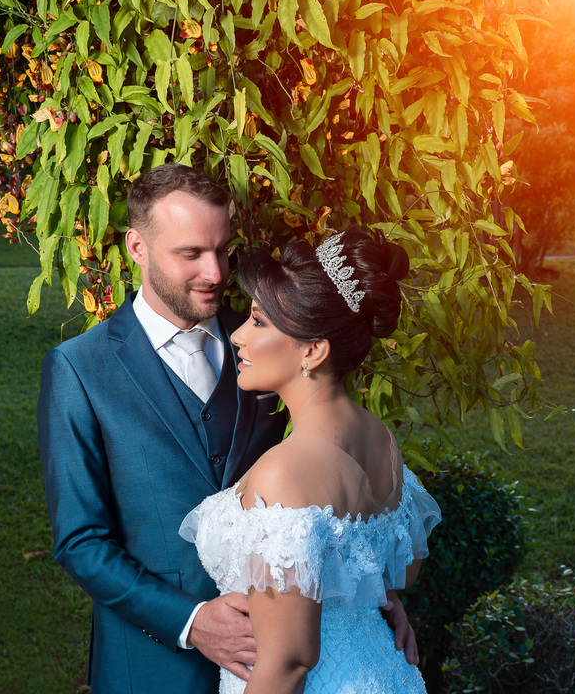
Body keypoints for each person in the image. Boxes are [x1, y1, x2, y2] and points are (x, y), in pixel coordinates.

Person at [36, 164, 288, 693]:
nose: (216, 272)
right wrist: (193, 622)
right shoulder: (79, 370)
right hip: (148, 667)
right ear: (136, 248)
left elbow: (313, 479)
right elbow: (81, 542)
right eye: (190, 254)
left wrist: (371, 591)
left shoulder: (268, 344)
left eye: (222, 250)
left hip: (273, 658)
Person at [179, 227, 442, 694]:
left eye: (258, 321)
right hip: (387, 673)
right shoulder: (380, 438)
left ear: (313, 350)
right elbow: (400, 570)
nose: (237, 334)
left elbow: (290, 663)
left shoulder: (284, 472)